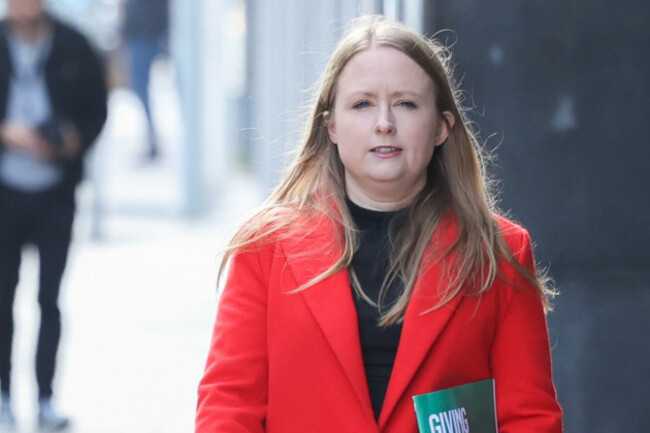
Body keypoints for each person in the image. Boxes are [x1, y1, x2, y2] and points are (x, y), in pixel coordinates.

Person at [195, 15, 562, 433]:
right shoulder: (263, 248)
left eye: (406, 103)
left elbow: (530, 419)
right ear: (330, 125)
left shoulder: (499, 251)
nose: (384, 122)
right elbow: (228, 411)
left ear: (442, 126)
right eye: (362, 104)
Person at [0, 0, 108, 429]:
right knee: (3, 299)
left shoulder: (73, 45)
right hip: (5, 194)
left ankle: (45, 398)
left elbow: (96, 110)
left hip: (56, 192)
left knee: (49, 298)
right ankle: (4, 395)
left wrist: (68, 142)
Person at [122, 0, 169, 161]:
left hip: (152, 34)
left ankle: (154, 138)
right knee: (141, 91)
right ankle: (152, 136)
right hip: (141, 34)